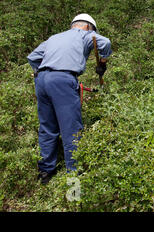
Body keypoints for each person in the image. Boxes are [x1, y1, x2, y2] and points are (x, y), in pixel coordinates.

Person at [27, 14, 112, 184]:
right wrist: (102, 63)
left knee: (47, 126)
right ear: (88, 27)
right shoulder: (86, 35)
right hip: (63, 80)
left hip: (41, 80)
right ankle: (74, 173)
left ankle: (45, 171)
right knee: (71, 128)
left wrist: (44, 73)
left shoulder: (54, 37)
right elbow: (105, 43)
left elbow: (33, 57)